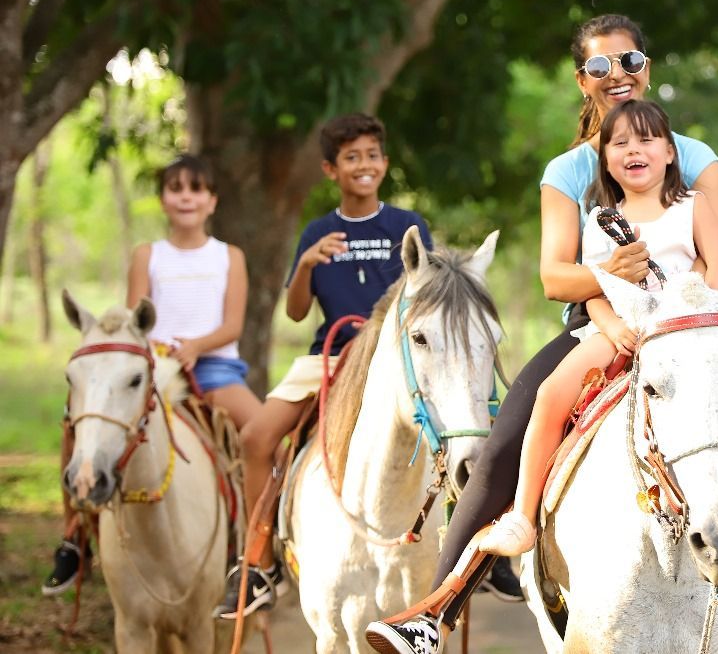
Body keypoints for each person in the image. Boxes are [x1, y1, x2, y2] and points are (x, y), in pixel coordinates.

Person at [366, 14, 718, 654]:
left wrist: (684, 307)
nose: (617, 76)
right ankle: (438, 606)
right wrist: (610, 276)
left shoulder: (692, 154)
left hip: (694, 325)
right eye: (600, 66)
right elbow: (557, 278)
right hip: (603, 322)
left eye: (630, 62)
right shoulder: (571, 173)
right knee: (508, 435)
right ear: (581, 79)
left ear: (649, 68)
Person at [211, 113, 435, 618]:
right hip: (331, 357)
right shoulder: (319, 231)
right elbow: (294, 311)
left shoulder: (408, 227)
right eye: (351, 157)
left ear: (385, 163)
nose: (364, 165)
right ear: (330, 170)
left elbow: (431, 296)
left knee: (465, 419)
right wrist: (308, 263)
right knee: (255, 438)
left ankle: (475, 550)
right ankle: (256, 562)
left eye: (372, 155)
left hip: (392, 359)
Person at [41, 155, 264, 595]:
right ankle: (76, 535)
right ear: (163, 200)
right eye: (176, 188)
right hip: (158, 369)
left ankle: (260, 550)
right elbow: (134, 320)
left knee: (264, 435)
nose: (186, 196)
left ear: (212, 201)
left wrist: (197, 347)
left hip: (214, 368)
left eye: (196, 188)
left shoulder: (228, 257)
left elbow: (233, 324)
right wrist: (159, 352)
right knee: (77, 426)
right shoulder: (149, 255)